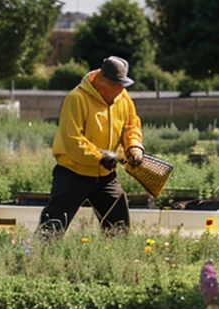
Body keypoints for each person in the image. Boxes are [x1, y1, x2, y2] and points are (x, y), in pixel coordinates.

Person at [38, 55, 144, 235]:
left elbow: (131, 126)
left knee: (119, 226)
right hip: (72, 174)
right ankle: (39, 259)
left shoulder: (123, 98)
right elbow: (72, 140)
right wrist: (100, 156)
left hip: (106, 176)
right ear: (102, 81)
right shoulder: (76, 98)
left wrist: (134, 146)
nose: (121, 89)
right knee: (52, 227)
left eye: (123, 85)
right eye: (117, 85)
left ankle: (116, 261)